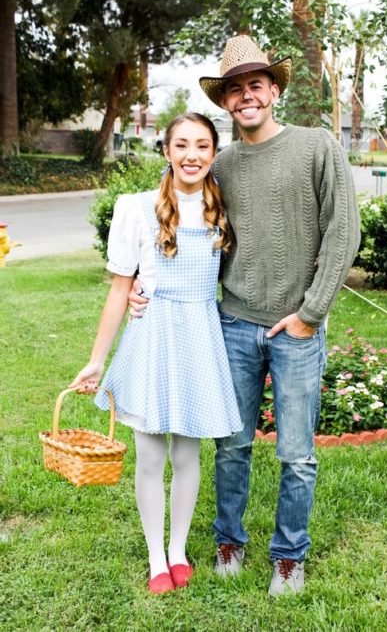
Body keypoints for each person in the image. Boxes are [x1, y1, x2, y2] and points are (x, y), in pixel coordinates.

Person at [129, 35, 361, 596]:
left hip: (296, 328)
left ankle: (289, 555)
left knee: (297, 453)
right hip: (231, 323)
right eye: (234, 90)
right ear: (226, 103)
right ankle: (227, 540)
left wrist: (311, 312)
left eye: (255, 85)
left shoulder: (317, 145)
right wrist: (142, 285)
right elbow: (174, 224)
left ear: (274, 90)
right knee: (231, 445)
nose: (246, 97)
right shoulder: (220, 164)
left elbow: (344, 229)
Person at [69, 113, 242, 595]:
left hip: (199, 336)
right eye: (182, 145)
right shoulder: (137, 207)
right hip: (152, 336)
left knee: (187, 451)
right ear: (166, 150)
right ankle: (154, 556)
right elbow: (120, 289)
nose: (192, 155)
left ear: (214, 153)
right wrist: (97, 359)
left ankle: (178, 549)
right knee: (150, 455)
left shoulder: (220, 207)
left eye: (203, 146)